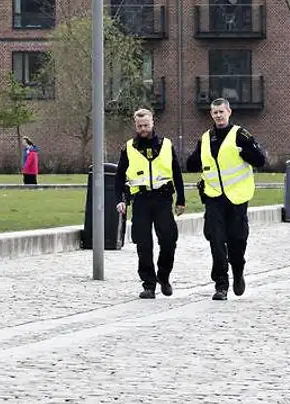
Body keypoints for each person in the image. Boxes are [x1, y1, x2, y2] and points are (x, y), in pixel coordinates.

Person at [184, 98, 268, 300]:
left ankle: (238, 271)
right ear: (211, 115)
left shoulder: (240, 135)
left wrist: (244, 152)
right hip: (214, 197)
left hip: (237, 198)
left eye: (222, 111)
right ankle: (221, 285)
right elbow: (191, 164)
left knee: (237, 241)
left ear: (229, 112)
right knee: (216, 240)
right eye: (215, 113)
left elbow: (261, 160)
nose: (219, 116)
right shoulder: (206, 138)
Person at [115, 109, 186, 299]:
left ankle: (163, 275)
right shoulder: (128, 148)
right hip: (140, 201)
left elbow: (177, 172)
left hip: (162, 199)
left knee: (169, 241)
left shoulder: (166, 145)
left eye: (146, 125)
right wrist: (120, 200)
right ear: (135, 125)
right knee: (143, 245)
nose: (143, 129)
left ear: (153, 123)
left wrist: (181, 199)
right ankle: (149, 284)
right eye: (139, 126)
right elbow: (119, 177)